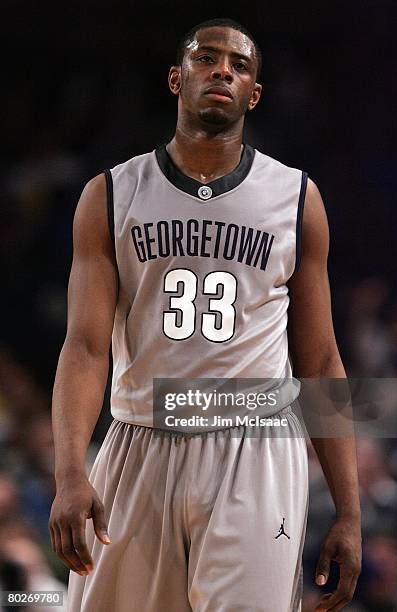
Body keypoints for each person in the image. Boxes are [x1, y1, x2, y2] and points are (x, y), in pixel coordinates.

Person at [49, 18, 362, 612]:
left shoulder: (296, 197)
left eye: (240, 65)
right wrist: (69, 471)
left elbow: (321, 358)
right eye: (206, 58)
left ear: (254, 94)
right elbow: (85, 346)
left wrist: (349, 512)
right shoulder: (112, 193)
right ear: (176, 78)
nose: (223, 70)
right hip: (140, 435)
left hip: (255, 445)